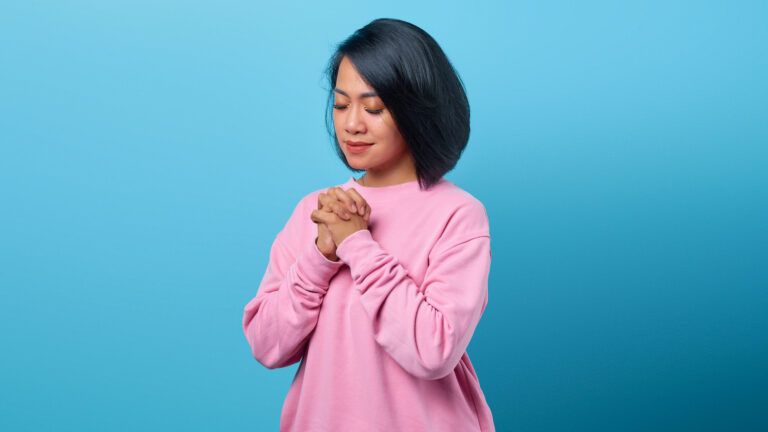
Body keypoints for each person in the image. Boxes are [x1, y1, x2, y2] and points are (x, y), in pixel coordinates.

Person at [242, 18, 495, 432]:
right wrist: (321, 256)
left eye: (373, 107)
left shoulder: (458, 215)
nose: (352, 124)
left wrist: (357, 245)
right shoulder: (317, 210)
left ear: (416, 110)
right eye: (341, 105)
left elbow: (433, 351)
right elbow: (267, 346)